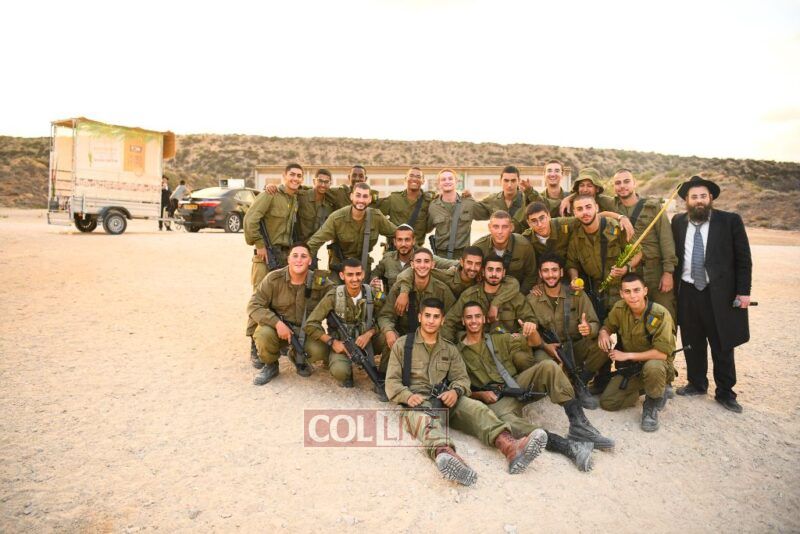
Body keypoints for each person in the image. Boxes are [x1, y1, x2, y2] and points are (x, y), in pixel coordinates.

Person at [385, 298, 549, 486]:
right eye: (427, 316)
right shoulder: (403, 345)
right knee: (426, 424)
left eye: (436, 317)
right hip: (417, 405)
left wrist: (455, 391)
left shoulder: (449, 348)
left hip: (444, 400)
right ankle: (447, 456)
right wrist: (408, 396)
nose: (431, 321)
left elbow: (462, 378)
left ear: (443, 320)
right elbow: (391, 382)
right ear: (420, 317)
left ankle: (511, 447)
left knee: (477, 409)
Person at [458, 301, 613, 458]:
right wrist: (481, 395)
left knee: (548, 366)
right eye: (469, 317)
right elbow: (459, 387)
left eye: (477, 316)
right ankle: (565, 446)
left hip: (517, 385)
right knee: (504, 421)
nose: (474, 321)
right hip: (496, 400)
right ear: (463, 321)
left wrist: (531, 331)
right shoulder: (458, 352)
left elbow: (534, 342)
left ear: (484, 319)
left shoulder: (497, 339)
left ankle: (579, 425)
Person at [671, 175, 752, 413]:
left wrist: (743, 292)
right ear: (686, 200)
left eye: (703, 196)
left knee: (722, 343)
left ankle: (726, 392)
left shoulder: (730, 221)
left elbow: (743, 259)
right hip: (687, 291)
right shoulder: (677, 222)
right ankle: (697, 383)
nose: (699, 201)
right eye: (694, 197)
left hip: (719, 294)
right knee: (692, 341)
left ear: (710, 198)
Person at [527, 253, 610, 409]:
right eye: (545, 271)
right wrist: (545, 346)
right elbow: (531, 332)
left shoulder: (577, 295)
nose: (550, 275)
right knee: (541, 362)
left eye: (554, 270)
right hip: (551, 350)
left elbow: (594, 323)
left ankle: (581, 382)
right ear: (540, 274)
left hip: (575, 347)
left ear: (561, 272)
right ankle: (565, 382)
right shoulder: (532, 299)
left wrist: (589, 329)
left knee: (604, 345)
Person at [598, 273, 676, 431]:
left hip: (658, 366)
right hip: (634, 368)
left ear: (645, 291)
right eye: (627, 291)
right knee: (608, 402)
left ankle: (652, 404)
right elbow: (607, 326)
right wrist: (603, 333)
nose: (632, 296)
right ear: (621, 293)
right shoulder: (619, 308)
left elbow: (661, 354)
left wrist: (626, 355)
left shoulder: (660, 314)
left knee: (653, 366)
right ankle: (651, 387)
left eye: (636, 290)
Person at [247, 243, 334, 385]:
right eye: (295, 256)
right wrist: (277, 323)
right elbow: (253, 305)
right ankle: (271, 365)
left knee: (320, 350)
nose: (299, 260)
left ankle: (296, 355)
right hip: (279, 331)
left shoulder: (319, 282)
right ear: (288, 259)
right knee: (263, 334)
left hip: (305, 330)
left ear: (310, 261)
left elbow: (337, 295)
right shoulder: (273, 279)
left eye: (303, 256)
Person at [242, 163, 303, 364]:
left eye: (299, 176)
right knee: (260, 297)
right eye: (292, 174)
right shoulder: (270, 194)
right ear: (284, 176)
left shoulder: (295, 198)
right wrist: (259, 244)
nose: (295, 178)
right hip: (265, 256)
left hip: (283, 256)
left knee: (279, 298)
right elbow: (250, 219)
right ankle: (254, 344)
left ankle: (276, 340)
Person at [305, 258, 387, 399]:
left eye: (358, 274)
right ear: (342, 276)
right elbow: (310, 324)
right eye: (350, 275)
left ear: (363, 274)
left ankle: (382, 375)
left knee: (390, 337)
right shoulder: (334, 296)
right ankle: (346, 371)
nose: (355, 279)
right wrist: (332, 342)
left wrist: (370, 333)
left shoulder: (372, 294)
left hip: (367, 342)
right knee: (340, 372)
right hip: (342, 345)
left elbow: (384, 318)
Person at [610, 169, 678, 321]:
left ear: (634, 183)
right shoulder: (612, 207)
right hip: (630, 272)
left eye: (626, 181)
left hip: (655, 270)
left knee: (664, 315)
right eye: (618, 183)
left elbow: (666, 239)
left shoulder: (652, 207)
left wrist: (668, 272)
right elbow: (587, 197)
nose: (622, 186)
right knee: (634, 318)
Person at [377, 248, 456, 371]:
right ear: (412, 264)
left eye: (426, 261)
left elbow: (451, 319)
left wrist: (438, 337)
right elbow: (385, 315)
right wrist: (389, 332)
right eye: (418, 261)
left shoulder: (442, 290)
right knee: (389, 338)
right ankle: (385, 375)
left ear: (432, 265)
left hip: (431, 336)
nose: (422, 265)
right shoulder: (399, 288)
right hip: (404, 334)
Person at [566, 194, 640, 320]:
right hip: (598, 294)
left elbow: (638, 252)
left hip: (622, 291)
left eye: (588, 207)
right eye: (580, 209)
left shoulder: (616, 227)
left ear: (596, 207)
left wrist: (626, 267)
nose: (585, 212)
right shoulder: (576, 237)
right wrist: (574, 278)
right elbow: (571, 263)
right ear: (575, 213)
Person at [307, 182, 397, 280]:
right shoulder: (337, 218)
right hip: (340, 266)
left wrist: (393, 257)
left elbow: (399, 234)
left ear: (370, 199)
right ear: (351, 196)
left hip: (362, 265)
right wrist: (302, 258)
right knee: (334, 289)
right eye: (358, 195)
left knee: (368, 289)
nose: (361, 200)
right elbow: (316, 241)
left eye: (365, 196)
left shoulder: (376, 217)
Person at [442, 255, 536, 341]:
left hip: (508, 345)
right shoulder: (469, 295)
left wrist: (520, 336)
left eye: (498, 270)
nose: (494, 274)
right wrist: (453, 345)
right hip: (478, 346)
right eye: (490, 269)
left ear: (503, 273)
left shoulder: (515, 296)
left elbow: (530, 321)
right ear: (483, 272)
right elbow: (449, 322)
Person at [371, 224, 458, 292]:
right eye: (400, 240)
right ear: (395, 242)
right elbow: (375, 272)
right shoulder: (388, 258)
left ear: (413, 241)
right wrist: (374, 280)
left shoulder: (424, 258)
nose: (403, 244)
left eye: (407, 240)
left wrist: (450, 272)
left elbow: (454, 264)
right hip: (393, 302)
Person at [471, 210, 538, 293]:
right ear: (489, 227)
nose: (500, 231)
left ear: (511, 227)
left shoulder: (524, 246)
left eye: (505, 227)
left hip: (516, 292)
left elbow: (531, 275)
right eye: (496, 227)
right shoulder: (479, 247)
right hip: (486, 293)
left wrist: (520, 295)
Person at [426, 168, 480, 259]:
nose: (447, 181)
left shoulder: (468, 202)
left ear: (456, 182)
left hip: (463, 256)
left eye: (450, 179)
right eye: (443, 179)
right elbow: (426, 228)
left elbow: (486, 213)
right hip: (441, 257)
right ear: (439, 184)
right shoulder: (433, 206)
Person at [377, 167, 435, 246]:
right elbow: (370, 209)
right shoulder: (394, 199)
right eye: (411, 176)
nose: (414, 179)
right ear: (405, 179)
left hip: (416, 250)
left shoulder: (429, 202)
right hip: (394, 250)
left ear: (423, 181)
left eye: (418, 177)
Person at [474, 165, 541, 232]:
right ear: (500, 181)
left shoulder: (527, 199)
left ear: (518, 181)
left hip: (522, 238)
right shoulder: (492, 200)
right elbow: (474, 210)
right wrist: (469, 198)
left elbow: (542, 205)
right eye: (506, 180)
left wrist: (531, 191)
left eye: (513, 181)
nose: (509, 185)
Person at [296, 169, 336, 243]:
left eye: (326, 182)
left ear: (330, 184)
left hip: (314, 246)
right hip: (296, 244)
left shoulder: (329, 206)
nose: (323, 185)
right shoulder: (302, 197)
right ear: (314, 181)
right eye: (320, 181)